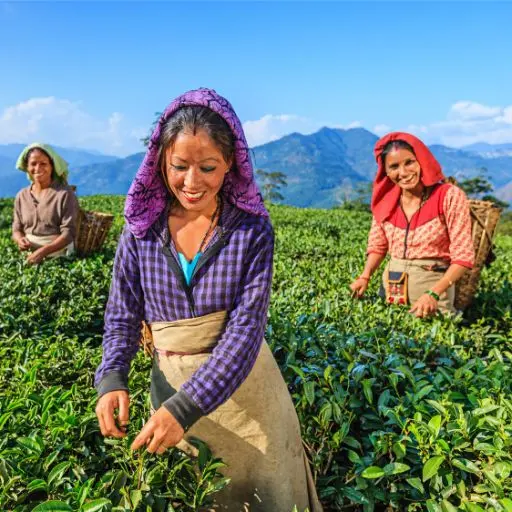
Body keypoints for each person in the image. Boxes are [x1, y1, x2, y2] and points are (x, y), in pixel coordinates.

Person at [94, 88, 322, 511]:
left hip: (249, 401)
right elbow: (122, 316)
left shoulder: (251, 231)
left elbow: (245, 333)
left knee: (264, 496)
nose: (191, 182)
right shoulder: (140, 232)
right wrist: (111, 379)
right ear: (161, 161)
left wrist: (183, 409)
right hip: (169, 393)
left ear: (231, 163)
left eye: (208, 167)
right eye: (179, 166)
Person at [350, 132, 475, 317]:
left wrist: (433, 293)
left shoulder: (448, 196)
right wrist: (365, 276)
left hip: (433, 297)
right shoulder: (385, 201)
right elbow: (378, 246)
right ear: (386, 171)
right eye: (394, 166)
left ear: (421, 161)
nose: (403, 172)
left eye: (409, 162)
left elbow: (463, 257)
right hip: (391, 292)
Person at [12, 143, 79, 264]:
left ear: (52, 166)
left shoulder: (64, 194)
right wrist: (20, 240)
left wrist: (43, 252)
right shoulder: (21, 196)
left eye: (43, 163)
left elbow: (69, 233)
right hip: (28, 256)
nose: (37, 168)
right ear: (27, 167)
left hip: (58, 255)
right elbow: (16, 229)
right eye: (33, 164)